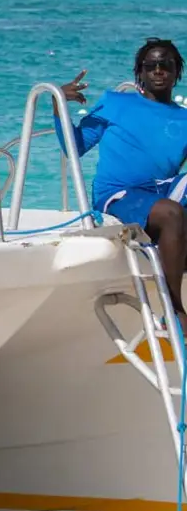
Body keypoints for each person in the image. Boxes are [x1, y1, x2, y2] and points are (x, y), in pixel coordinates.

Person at [58, 38, 187, 311]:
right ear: (139, 72)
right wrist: (59, 105)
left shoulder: (184, 119)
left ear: (178, 71)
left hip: (160, 192)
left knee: (171, 209)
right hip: (118, 196)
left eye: (166, 64)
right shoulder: (115, 103)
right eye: (150, 65)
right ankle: (175, 309)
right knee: (172, 213)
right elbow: (76, 147)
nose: (158, 70)